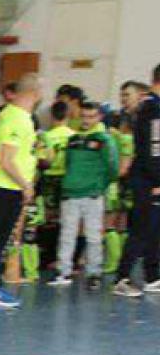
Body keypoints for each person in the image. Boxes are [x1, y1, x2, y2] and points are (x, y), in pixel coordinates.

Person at [0, 72, 44, 308]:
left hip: (3, 185)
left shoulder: (10, 114)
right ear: (35, 93)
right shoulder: (18, 119)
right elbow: (7, 160)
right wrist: (26, 185)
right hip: (8, 187)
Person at [48, 101, 117, 289]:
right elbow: (68, 164)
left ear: (99, 117)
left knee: (93, 235)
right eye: (84, 116)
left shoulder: (105, 140)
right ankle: (63, 271)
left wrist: (99, 186)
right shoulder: (73, 139)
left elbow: (112, 168)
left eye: (91, 116)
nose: (86, 120)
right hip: (70, 193)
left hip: (93, 194)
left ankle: (94, 273)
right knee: (67, 234)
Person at [113, 63, 160, 297]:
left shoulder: (151, 107)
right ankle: (121, 278)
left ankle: (153, 276)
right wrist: (157, 180)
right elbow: (154, 147)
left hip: (149, 176)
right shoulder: (153, 109)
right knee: (141, 229)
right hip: (147, 180)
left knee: (155, 230)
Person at [37, 101, 76, 270]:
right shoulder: (74, 136)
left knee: (49, 218)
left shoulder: (46, 136)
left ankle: (48, 257)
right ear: (68, 115)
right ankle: (66, 258)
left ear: (52, 116)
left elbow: (44, 160)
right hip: (68, 178)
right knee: (67, 219)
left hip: (50, 178)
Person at [105, 111, 136, 273]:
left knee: (109, 223)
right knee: (123, 224)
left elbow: (122, 167)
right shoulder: (136, 139)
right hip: (130, 185)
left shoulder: (120, 139)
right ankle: (124, 260)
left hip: (116, 185)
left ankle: (113, 261)